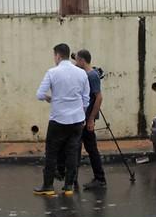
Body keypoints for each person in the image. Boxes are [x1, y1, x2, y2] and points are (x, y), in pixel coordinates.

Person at [34, 43, 90, 197]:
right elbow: (86, 98)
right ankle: (69, 187)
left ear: (58, 55)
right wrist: (82, 114)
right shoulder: (81, 73)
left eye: (54, 56)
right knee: (72, 153)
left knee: (52, 153)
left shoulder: (52, 72)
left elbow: (39, 94)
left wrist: (49, 98)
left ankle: (48, 185)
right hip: (77, 119)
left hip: (58, 119)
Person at [74, 49, 107, 189]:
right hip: (82, 117)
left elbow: (98, 97)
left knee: (90, 148)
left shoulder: (92, 76)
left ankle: (99, 178)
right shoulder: (84, 74)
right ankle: (73, 178)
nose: (75, 63)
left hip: (87, 118)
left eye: (77, 61)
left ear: (82, 61)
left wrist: (91, 119)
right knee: (76, 148)